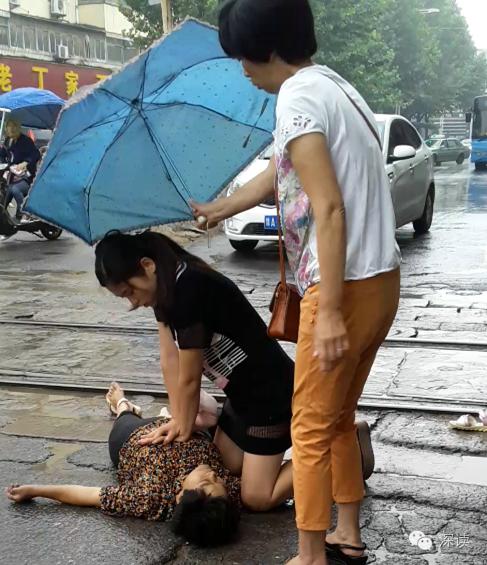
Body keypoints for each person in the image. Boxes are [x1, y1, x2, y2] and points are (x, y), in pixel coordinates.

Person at [191, 1, 401, 563]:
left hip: (345, 287)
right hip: (379, 281)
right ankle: (345, 536)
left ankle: (309, 557)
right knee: (334, 420)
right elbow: (277, 172)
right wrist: (220, 207)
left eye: (242, 55)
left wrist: (328, 308)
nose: (241, 68)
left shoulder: (297, 96)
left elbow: (328, 208)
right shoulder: (333, 87)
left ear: (268, 46)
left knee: (307, 429)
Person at [94, 230, 295, 513]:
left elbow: (189, 379)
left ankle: (336, 447)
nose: (133, 302)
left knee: (256, 497)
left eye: (130, 292)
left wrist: (183, 426)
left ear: (147, 266)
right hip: (241, 399)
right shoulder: (165, 291)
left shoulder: (189, 288)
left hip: (271, 398)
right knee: (228, 465)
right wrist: (178, 418)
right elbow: (170, 361)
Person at [5, 382, 240, 548]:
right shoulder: (224, 493)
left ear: (180, 497)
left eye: (206, 481)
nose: (212, 474)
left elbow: (88, 494)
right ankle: (163, 414)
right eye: (216, 480)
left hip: (132, 438)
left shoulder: (148, 498)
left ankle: (122, 405)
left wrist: (35, 490)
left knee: (124, 417)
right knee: (206, 408)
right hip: (184, 428)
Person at [0, 119, 40, 220]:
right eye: (9, 127)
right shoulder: (8, 141)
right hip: (11, 176)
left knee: (14, 189)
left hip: (25, 177)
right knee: (4, 192)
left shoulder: (26, 141)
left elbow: (36, 154)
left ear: (18, 128)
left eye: (14, 127)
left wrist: (25, 163)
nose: (11, 130)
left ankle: (25, 212)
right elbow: (3, 154)